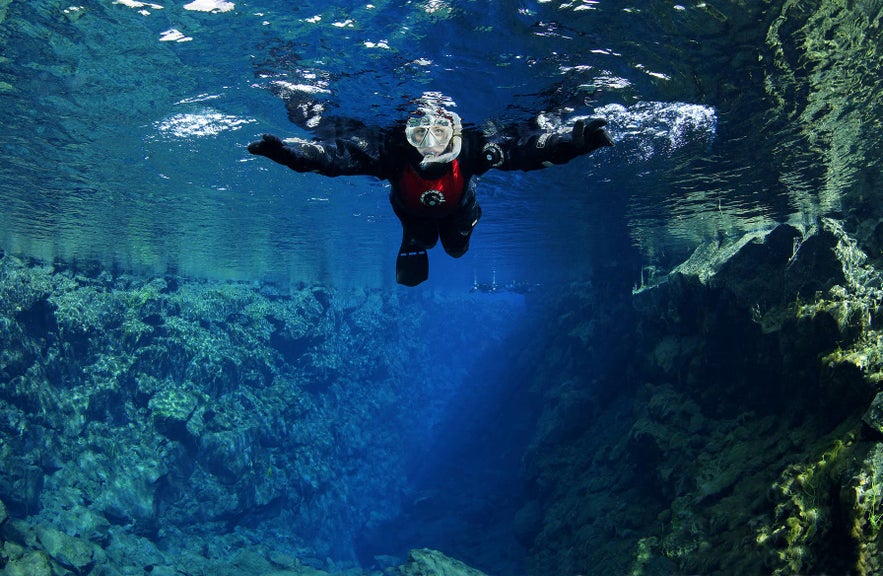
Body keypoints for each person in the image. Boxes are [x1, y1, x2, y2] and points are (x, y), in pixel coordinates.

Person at [248, 93, 613, 286]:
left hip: (460, 209)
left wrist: (573, 143)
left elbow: (526, 151)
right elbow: (334, 158)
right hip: (411, 212)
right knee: (422, 240)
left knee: (456, 249)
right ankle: (414, 241)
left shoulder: (473, 150)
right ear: (406, 133)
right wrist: (290, 153)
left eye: (439, 132)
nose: (429, 144)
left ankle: (431, 238)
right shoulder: (391, 154)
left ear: (455, 131)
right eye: (419, 132)